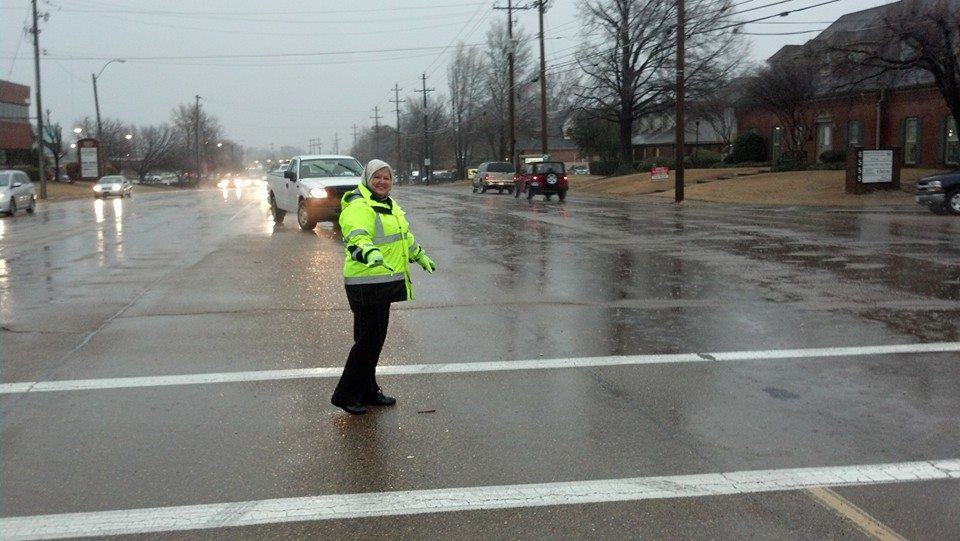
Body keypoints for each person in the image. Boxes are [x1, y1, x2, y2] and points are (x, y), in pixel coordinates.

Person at [331, 159, 437, 415]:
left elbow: (403, 238)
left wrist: (418, 255)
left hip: (383, 282)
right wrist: (368, 253)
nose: (382, 181)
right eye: (377, 177)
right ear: (367, 178)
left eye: (386, 178)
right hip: (365, 283)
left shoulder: (389, 206)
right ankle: (345, 395)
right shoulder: (359, 205)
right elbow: (356, 237)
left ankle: (367, 390)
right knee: (368, 342)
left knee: (373, 341)